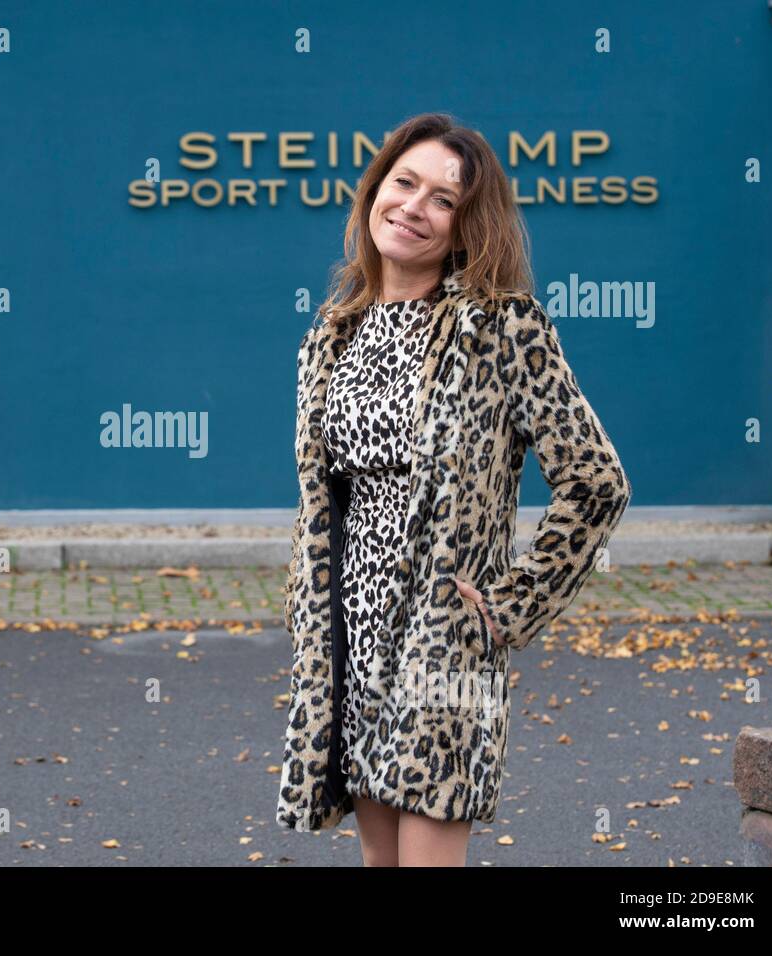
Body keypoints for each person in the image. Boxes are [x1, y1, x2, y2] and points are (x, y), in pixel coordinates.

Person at [277, 112, 631, 865]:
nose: (414, 206)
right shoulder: (335, 330)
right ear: (376, 189)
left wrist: (512, 605)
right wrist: (305, 593)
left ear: (467, 224)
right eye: (404, 182)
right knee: (379, 860)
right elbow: (324, 495)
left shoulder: (504, 327)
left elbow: (597, 483)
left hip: (445, 635)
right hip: (351, 629)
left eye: (443, 198)